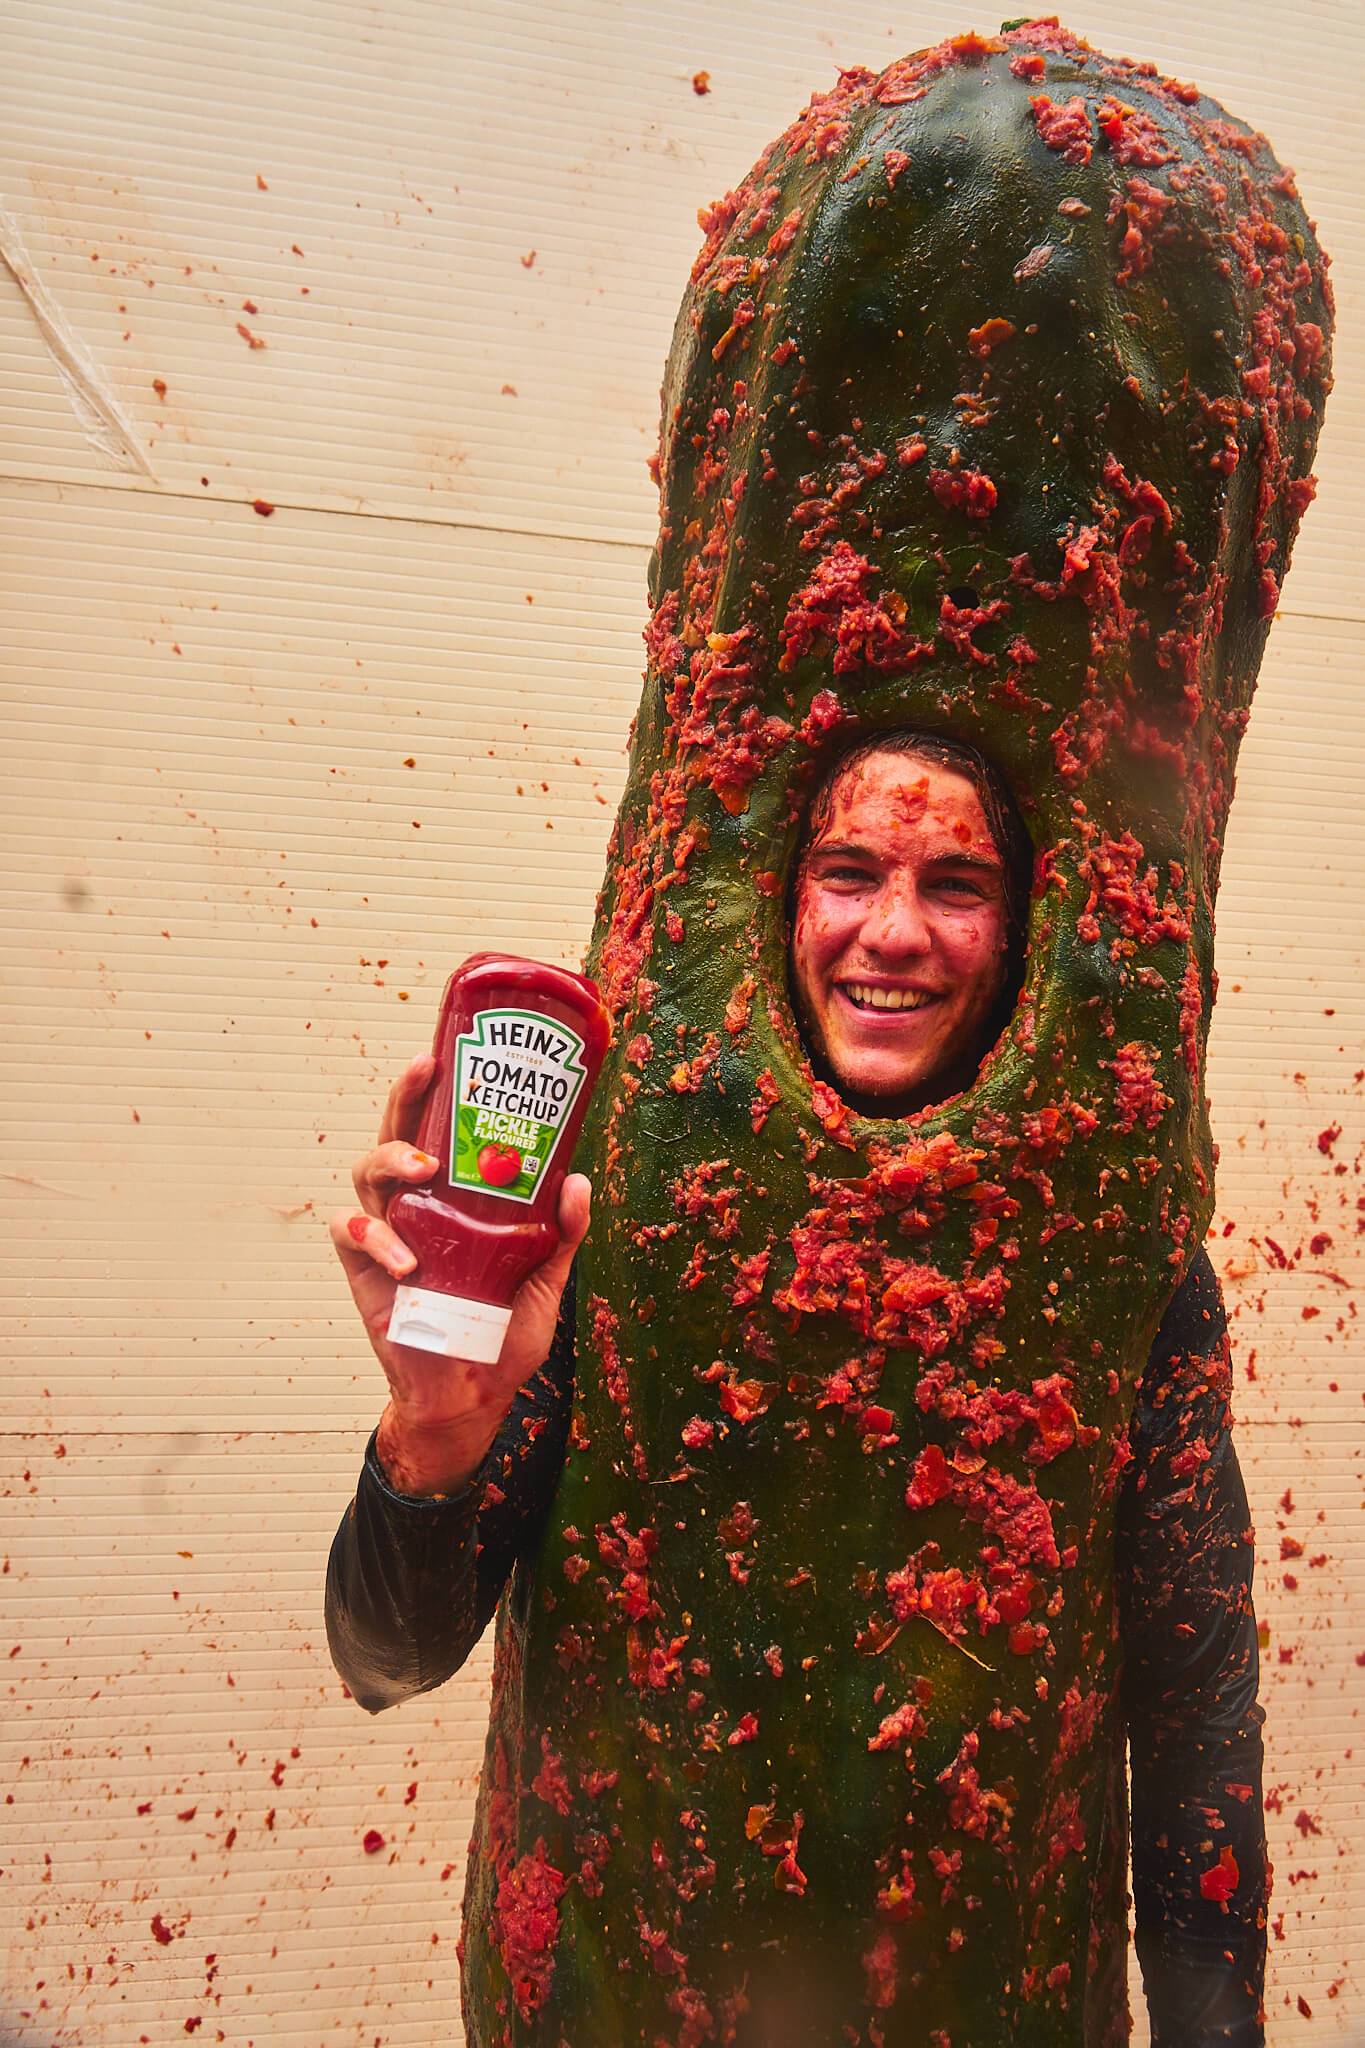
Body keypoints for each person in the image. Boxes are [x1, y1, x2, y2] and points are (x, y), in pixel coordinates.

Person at [326, 732, 1267, 2046]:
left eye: (955, 886)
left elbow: (1195, 1725)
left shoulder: (1116, 1252)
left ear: (1018, 933)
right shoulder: (609, 1215)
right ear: (782, 901)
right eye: (848, 873)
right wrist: (435, 1426)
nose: (894, 931)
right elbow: (384, 1660)